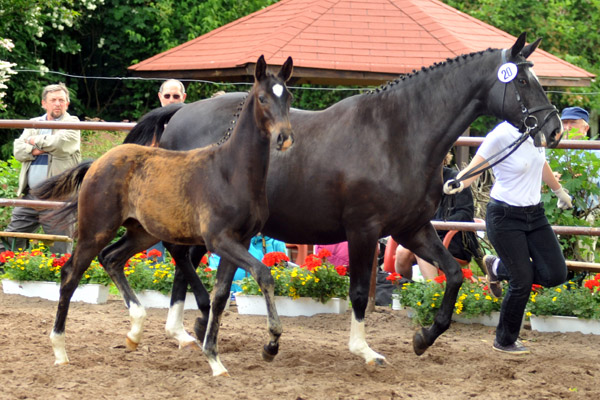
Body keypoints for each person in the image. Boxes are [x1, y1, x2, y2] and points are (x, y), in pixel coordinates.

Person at [444, 120, 572, 355]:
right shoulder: (500, 135)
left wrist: (558, 190)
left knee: (556, 274)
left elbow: (540, 162)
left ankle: (497, 267)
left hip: (535, 215)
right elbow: (475, 168)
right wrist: (457, 183)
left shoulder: (536, 129)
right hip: (504, 216)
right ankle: (504, 340)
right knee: (521, 281)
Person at [0, 83, 80, 254]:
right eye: (53, 100)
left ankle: (62, 280)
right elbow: (18, 151)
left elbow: (62, 144)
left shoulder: (73, 122)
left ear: (67, 104)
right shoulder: (33, 123)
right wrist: (45, 144)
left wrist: (33, 141)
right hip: (32, 194)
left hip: (59, 196)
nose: (57, 103)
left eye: (61, 100)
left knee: (60, 248)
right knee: (10, 238)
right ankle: (9, 275)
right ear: (44, 103)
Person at [395, 152, 479, 280]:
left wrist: (436, 226)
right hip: (423, 235)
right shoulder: (417, 183)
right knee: (402, 252)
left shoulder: (455, 180)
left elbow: (465, 214)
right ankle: (403, 293)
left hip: (452, 239)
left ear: (443, 160)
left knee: (423, 249)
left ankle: (434, 295)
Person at [146, 79, 187, 262]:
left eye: (176, 96)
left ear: (184, 98)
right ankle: (152, 281)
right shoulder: (148, 125)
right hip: (155, 192)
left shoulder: (193, 125)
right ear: (160, 97)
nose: (171, 100)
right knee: (152, 238)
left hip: (184, 194)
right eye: (167, 96)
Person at [207, 233, 288, 293]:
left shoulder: (276, 243)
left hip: (260, 298)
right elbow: (214, 270)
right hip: (229, 299)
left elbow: (283, 275)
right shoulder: (227, 243)